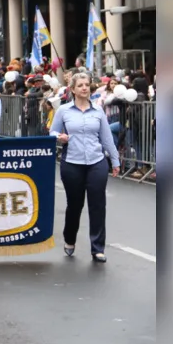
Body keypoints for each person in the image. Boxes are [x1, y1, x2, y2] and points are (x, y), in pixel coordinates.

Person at [49, 73, 120, 263]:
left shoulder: (97, 111)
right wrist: (59, 137)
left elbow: (106, 138)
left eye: (87, 85)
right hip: (72, 162)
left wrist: (115, 161)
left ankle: (97, 248)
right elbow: (52, 132)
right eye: (80, 85)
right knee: (75, 205)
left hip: (96, 162)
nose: (84, 88)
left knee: (98, 205)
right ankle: (70, 238)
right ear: (72, 89)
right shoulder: (63, 111)